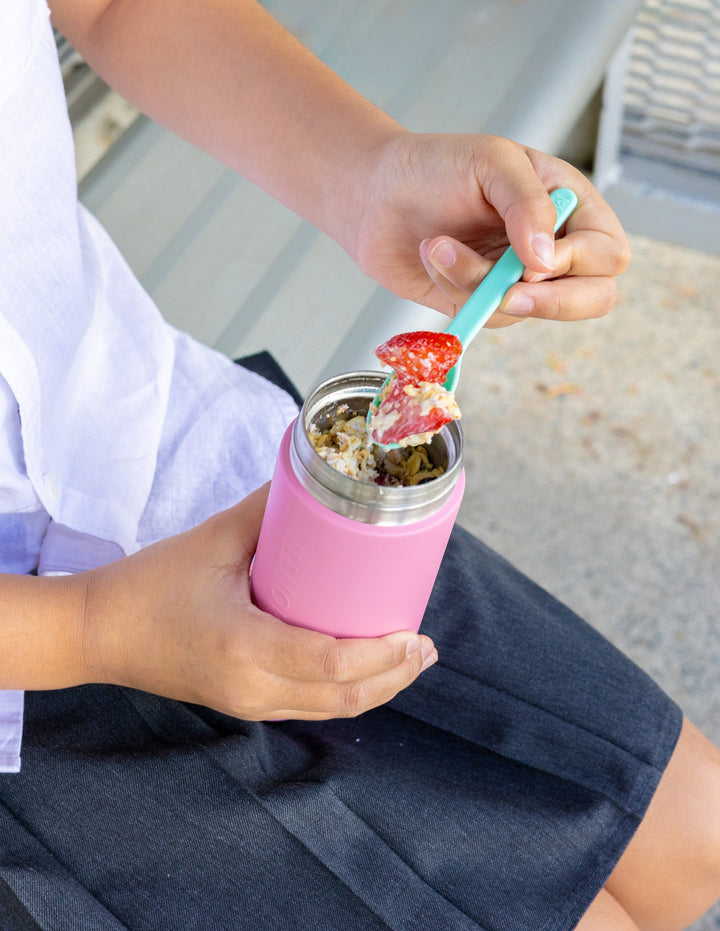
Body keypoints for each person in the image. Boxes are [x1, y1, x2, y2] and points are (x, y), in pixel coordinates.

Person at [1, 1, 719, 929]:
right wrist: (92, 628)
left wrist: (368, 175)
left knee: (687, 832)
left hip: (135, 422)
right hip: (30, 690)